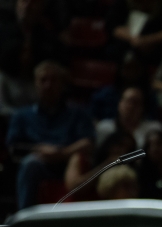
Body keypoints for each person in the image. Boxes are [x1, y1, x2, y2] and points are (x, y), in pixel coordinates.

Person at [5, 61, 95, 209]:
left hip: (69, 165)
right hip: (38, 164)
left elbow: (88, 142)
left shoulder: (78, 114)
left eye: (53, 80)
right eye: (43, 80)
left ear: (62, 84)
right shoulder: (21, 116)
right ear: (35, 84)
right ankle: (26, 220)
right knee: (31, 164)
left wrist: (61, 153)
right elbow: (13, 147)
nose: (48, 85)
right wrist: (39, 149)